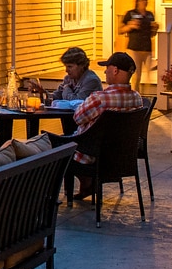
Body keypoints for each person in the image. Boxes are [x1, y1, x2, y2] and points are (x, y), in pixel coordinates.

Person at [59, 52, 148, 200]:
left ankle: (49, 198)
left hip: (93, 155)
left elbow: (77, 118)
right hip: (122, 155)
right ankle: (87, 185)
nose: (105, 71)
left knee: (56, 146)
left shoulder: (100, 98)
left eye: (107, 68)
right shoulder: (138, 99)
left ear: (115, 70)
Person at [117, 0, 157, 91]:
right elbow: (120, 30)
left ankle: (148, 97)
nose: (145, 2)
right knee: (136, 75)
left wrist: (155, 28)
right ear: (138, 1)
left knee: (149, 76)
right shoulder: (131, 14)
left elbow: (152, 34)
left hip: (147, 49)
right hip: (134, 48)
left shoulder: (150, 15)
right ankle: (135, 96)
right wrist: (130, 26)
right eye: (143, 0)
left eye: (146, 0)